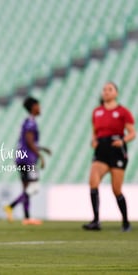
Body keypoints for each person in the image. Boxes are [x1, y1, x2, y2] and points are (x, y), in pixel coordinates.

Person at [83, 82, 135, 232]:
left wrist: (123, 140)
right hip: (101, 150)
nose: (106, 92)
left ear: (116, 93)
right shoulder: (96, 112)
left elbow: (132, 133)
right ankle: (96, 220)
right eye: (104, 89)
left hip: (116, 149)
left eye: (109, 89)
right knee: (93, 182)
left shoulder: (123, 112)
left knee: (116, 189)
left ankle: (125, 222)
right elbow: (95, 131)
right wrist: (93, 140)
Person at [3, 97, 51, 225]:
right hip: (28, 159)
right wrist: (40, 156)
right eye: (38, 105)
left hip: (21, 157)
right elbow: (29, 141)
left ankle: (27, 217)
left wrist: (43, 149)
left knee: (27, 188)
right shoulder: (31, 122)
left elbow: (28, 141)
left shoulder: (26, 121)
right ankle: (11, 207)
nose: (40, 108)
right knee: (33, 187)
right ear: (33, 107)